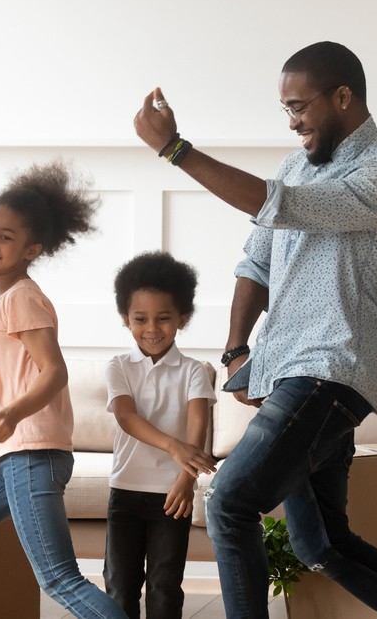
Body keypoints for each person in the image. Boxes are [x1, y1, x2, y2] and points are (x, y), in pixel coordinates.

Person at [133, 41, 377, 619]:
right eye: (286, 110)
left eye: (300, 106)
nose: (293, 121)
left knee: (229, 502)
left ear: (343, 96)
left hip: (331, 370)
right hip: (287, 370)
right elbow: (257, 263)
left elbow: (283, 206)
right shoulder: (296, 165)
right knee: (321, 543)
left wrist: (175, 150)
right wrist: (235, 352)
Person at [0, 161, 126, 619]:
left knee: (59, 579)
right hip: (0, 458)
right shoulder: (0, 305)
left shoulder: (24, 298)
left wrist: (12, 412)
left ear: (32, 249)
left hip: (30, 452)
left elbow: (55, 371)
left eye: (5, 237)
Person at [103, 251, 217, 619]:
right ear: (126, 320)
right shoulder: (118, 367)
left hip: (173, 495)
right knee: (119, 583)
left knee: (165, 586)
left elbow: (198, 427)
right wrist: (173, 446)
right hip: (125, 490)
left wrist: (186, 479)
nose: (152, 328)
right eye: (140, 319)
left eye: (163, 318)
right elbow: (125, 417)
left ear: (182, 319)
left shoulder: (194, 370)